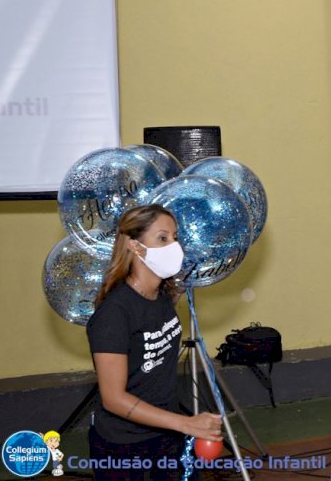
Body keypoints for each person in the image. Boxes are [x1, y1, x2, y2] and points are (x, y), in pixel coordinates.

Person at [86, 204, 222, 480]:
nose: (174, 245)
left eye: (175, 237)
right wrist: (187, 423)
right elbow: (113, 399)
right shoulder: (114, 313)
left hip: (167, 436)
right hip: (124, 447)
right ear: (135, 247)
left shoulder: (162, 295)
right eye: (162, 238)